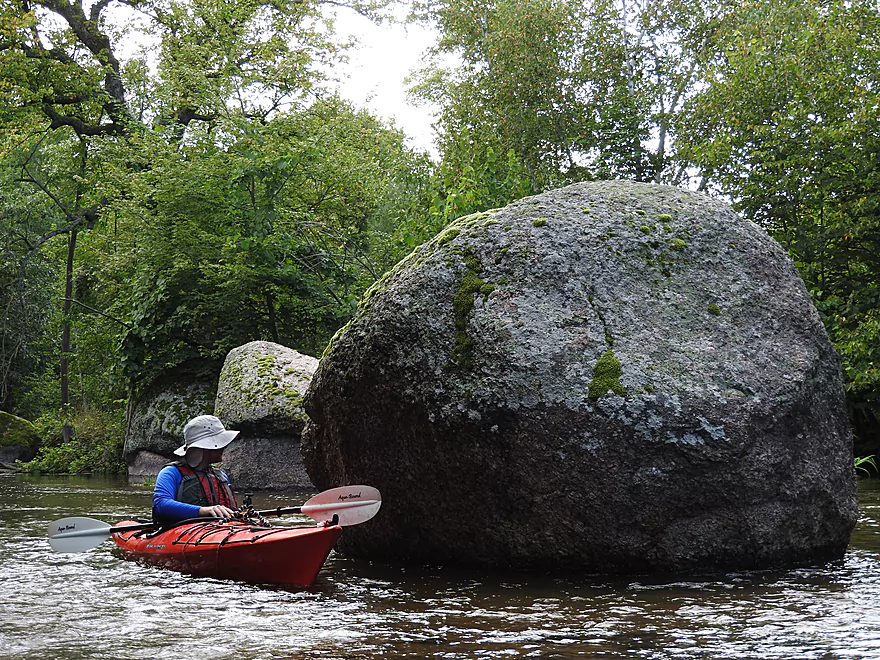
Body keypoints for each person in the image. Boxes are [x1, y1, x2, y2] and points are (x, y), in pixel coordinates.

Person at [152, 415, 240, 525]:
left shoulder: (221, 476)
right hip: (183, 533)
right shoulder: (171, 473)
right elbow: (160, 505)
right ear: (206, 447)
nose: (224, 447)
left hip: (221, 531)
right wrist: (203, 511)